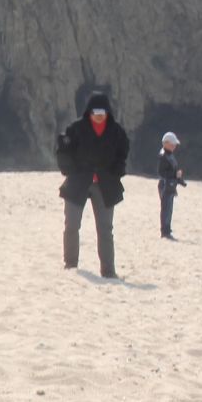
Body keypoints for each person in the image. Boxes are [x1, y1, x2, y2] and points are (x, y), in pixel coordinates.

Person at [55, 91, 130, 277]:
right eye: (95, 112)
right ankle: (70, 265)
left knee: (105, 229)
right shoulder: (76, 128)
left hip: (106, 185)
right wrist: (70, 170)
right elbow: (63, 150)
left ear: (108, 113)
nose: (98, 116)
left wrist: (116, 172)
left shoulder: (117, 132)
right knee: (71, 225)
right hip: (78, 181)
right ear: (89, 112)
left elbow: (123, 153)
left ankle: (108, 271)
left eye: (102, 113)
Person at [156, 131, 185, 241]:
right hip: (165, 185)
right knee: (166, 208)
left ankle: (167, 229)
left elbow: (173, 170)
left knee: (169, 209)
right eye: (172, 144)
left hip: (171, 185)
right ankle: (164, 231)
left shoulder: (169, 155)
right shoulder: (163, 155)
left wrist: (179, 178)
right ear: (166, 143)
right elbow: (161, 173)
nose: (174, 146)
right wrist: (175, 175)